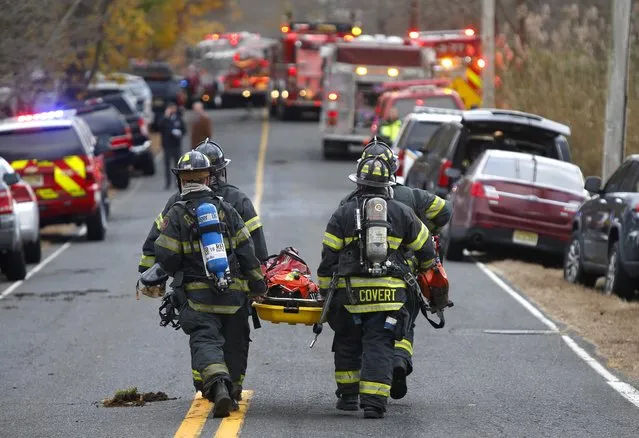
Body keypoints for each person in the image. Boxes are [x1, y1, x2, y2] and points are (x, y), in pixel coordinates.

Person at [138, 139, 268, 397]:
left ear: (183, 179)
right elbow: (250, 250)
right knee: (236, 342)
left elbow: (162, 251)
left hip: (196, 295)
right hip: (234, 292)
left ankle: (213, 383)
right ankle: (234, 387)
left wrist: (151, 278)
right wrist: (257, 285)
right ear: (211, 175)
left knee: (204, 339)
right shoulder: (231, 206)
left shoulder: (176, 208)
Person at [317, 155, 437, 419]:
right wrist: (426, 266)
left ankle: (348, 397)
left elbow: (329, 259)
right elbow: (426, 249)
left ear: (359, 183)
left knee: (348, 342)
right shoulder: (402, 212)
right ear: (387, 184)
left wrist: (326, 293)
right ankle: (374, 404)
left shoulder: (343, 213)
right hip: (390, 297)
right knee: (379, 345)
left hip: (351, 297)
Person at [339, 139, 452, 401]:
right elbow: (445, 211)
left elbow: (336, 243)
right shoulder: (411, 196)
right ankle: (399, 361)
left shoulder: (348, 202)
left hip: (358, 279)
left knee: (365, 330)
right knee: (403, 321)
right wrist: (429, 228)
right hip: (405, 275)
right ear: (393, 169)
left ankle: (354, 389)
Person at [159, 102, 187, 189]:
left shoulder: (178, 119)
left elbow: (184, 130)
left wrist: (179, 133)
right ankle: (168, 183)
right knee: (167, 165)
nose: (172, 110)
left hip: (176, 145)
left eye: (173, 108)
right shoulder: (164, 119)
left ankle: (178, 183)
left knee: (177, 165)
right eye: (170, 108)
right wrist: (166, 117)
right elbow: (159, 127)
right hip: (167, 146)